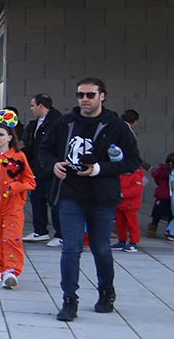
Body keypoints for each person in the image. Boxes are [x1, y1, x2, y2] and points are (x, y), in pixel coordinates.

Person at [40, 77, 142, 321]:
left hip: (102, 197)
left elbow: (132, 161)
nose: (84, 99)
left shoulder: (116, 125)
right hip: (70, 194)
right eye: (80, 95)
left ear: (102, 96)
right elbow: (44, 149)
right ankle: (69, 299)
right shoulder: (65, 123)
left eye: (90, 95)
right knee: (71, 248)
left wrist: (98, 169)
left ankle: (106, 291)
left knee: (101, 248)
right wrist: (54, 164)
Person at [0, 111, 36, 288]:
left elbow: (30, 181)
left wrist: (15, 188)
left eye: (1, 135)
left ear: (10, 137)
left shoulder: (18, 157)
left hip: (13, 205)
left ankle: (12, 270)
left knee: (12, 236)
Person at [23, 93, 63, 245]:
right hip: (37, 168)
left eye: (33, 105)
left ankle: (60, 234)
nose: (31, 108)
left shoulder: (57, 121)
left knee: (55, 201)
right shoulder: (36, 123)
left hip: (52, 168)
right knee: (36, 198)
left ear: (41, 106)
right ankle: (40, 231)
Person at [114, 160, 146, 253]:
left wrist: (121, 194)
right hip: (121, 204)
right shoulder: (122, 175)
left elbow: (135, 190)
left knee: (132, 225)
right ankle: (122, 240)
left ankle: (133, 242)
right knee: (120, 225)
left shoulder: (136, 176)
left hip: (130, 205)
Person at [150, 154, 174, 238]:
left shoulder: (161, 170)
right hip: (171, 196)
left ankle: (152, 230)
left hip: (161, 195)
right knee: (171, 214)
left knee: (156, 215)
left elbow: (156, 179)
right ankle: (170, 230)